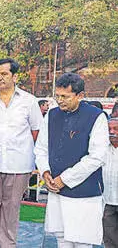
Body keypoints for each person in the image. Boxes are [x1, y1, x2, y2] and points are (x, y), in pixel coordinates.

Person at [0, 58, 43, 248]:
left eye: (4, 74)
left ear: (15, 76)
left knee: (11, 208)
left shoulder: (29, 101)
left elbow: (36, 132)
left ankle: (8, 245)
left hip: (18, 165)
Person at [34, 73, 110, 248]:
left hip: (85, 192)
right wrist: (45, 173)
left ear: (80, 96)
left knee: (82, 241)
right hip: (55, 188)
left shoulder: (96, 116)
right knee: (62, 238)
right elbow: (41, 148)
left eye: (65, 96)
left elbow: (97, 156)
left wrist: (64, 179)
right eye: (57, 96)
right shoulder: (51, 115)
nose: (60, 100)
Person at [103, 118, 118, 248]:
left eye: (115, 129)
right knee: (109, 238)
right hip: (106, 200)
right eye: (109, 129)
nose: (112, 132)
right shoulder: (100, 150)